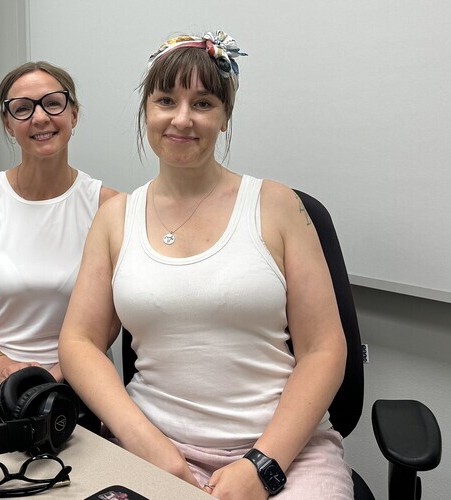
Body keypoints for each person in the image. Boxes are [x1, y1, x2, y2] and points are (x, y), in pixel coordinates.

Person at [59, 31, 354, 498]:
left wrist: (262, 466)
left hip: (284, 452)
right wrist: (148, 446)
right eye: (165, 101)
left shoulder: (278, 206)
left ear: (224, 117)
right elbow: (79, 342)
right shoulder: (115, 218)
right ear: (146, 111)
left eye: (202, 103)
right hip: (155, 448)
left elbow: (324, 349)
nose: (182, 119)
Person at [0, 61, 118, 386]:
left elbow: (109, 321)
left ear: (74, 114)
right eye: (22, 108)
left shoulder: (108, 207)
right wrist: (1, 366)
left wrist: (56, 376)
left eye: (53, 103)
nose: (40, 117)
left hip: (74, 383)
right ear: (7, 124)